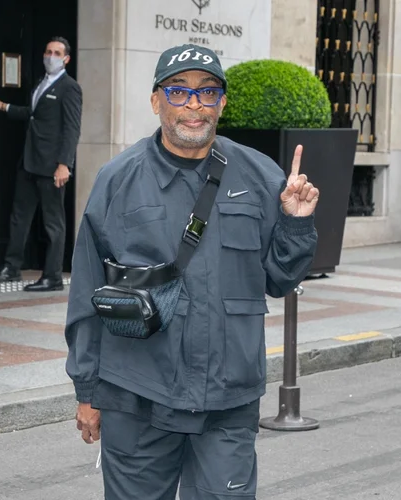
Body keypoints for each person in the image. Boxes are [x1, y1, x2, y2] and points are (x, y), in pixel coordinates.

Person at [64, 43, 319, 499]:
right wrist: (87, 390)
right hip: (136, 394)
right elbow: (87, 289)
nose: (194, 106)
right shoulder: (118, 179)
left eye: (207, 92)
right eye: (179, 92)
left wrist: (296, 223)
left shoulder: (261, 177)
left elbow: (281, 280)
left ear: (222, 102)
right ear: (156, 100)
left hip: (227, 398)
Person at [0, 36, 82, 292]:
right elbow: (32, 114)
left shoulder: (69, 87)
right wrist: (3, 106)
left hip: (51, 167)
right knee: (19, 218)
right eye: (48, 51)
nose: (50, 56)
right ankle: (11, 268)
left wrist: (64, 164)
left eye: (56, 52)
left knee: (53, 224)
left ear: (66, 59)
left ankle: (52, 276)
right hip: (29, 162)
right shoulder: (42, 83)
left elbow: (71, 128)